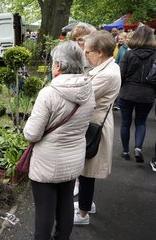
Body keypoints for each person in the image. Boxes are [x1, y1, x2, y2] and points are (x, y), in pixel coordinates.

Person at [23, 41, 95, 240]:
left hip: (48, 162)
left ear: (58, 65)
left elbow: (32, 134)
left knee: (44, 210)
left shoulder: (49, 93)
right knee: (65, 203)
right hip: (73, 158)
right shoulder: (89, 91)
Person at [74, 30, 121, 225]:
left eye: (87, 52)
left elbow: (81, 95)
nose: (85, 55)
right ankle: (86, 204)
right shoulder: (107, 68)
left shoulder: (107, 74)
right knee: (86, 169)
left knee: (87, 171)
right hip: (96, 122)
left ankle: (83, 213)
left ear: (100, 52)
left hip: (95, 126)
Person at [118, 25, 156, 162]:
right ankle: (138, 148)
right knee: (141, 122)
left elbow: (121, 74)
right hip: (147, 94)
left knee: (125, 123)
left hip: (128, 92)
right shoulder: (155, 55)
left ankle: (125, 151)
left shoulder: (129, 54)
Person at [69, 22, 97, 197]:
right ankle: (73, 178)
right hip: (70, 106)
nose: (80, 43)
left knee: (81, 145)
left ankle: (77, 179)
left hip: (85, 108)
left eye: (84, 39)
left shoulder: (92, 59)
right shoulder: (70, 56)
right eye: (77, 39)